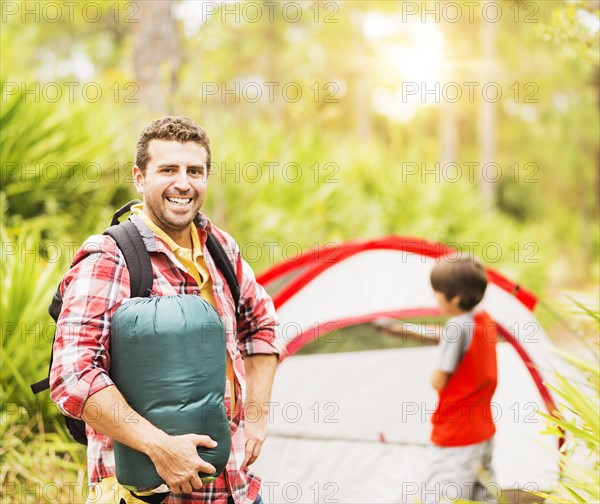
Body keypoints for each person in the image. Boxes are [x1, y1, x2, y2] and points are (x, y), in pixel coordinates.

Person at [50, 116, 284, 504]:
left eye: (195, 171)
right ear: (139, 178)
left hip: (234, 489)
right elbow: (73, 376)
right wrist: (160, 447)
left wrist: (257, 416)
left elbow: (263, 326)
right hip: (149, 494)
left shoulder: (220, 248)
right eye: (168, 169)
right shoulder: (110, 258)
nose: (183, 183)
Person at [423, 256, 498, 504]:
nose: (436, 299)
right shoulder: (484, 320)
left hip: (457, 434)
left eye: (438, 294)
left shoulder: (455, 328)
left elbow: (438, 380)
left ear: (454, 298)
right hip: (482, 430)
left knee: (445, 496)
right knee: (482, 494)